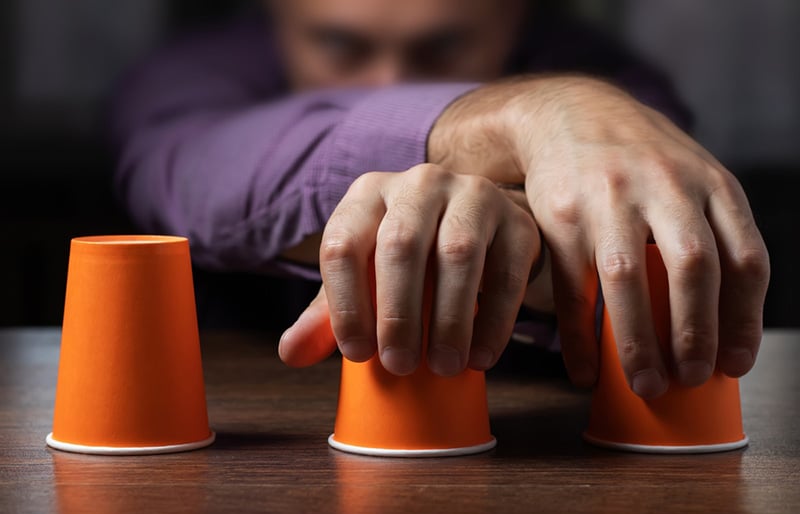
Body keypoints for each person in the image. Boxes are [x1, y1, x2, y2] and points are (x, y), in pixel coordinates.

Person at [111, 0, 769, 399]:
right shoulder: (192, 69)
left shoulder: (611, 79)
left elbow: (646, 215)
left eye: (442, 46)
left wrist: (521, 244)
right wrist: (520, 116)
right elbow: (188, 173)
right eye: (340, 45)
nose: (386, 81)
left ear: (514, 12)